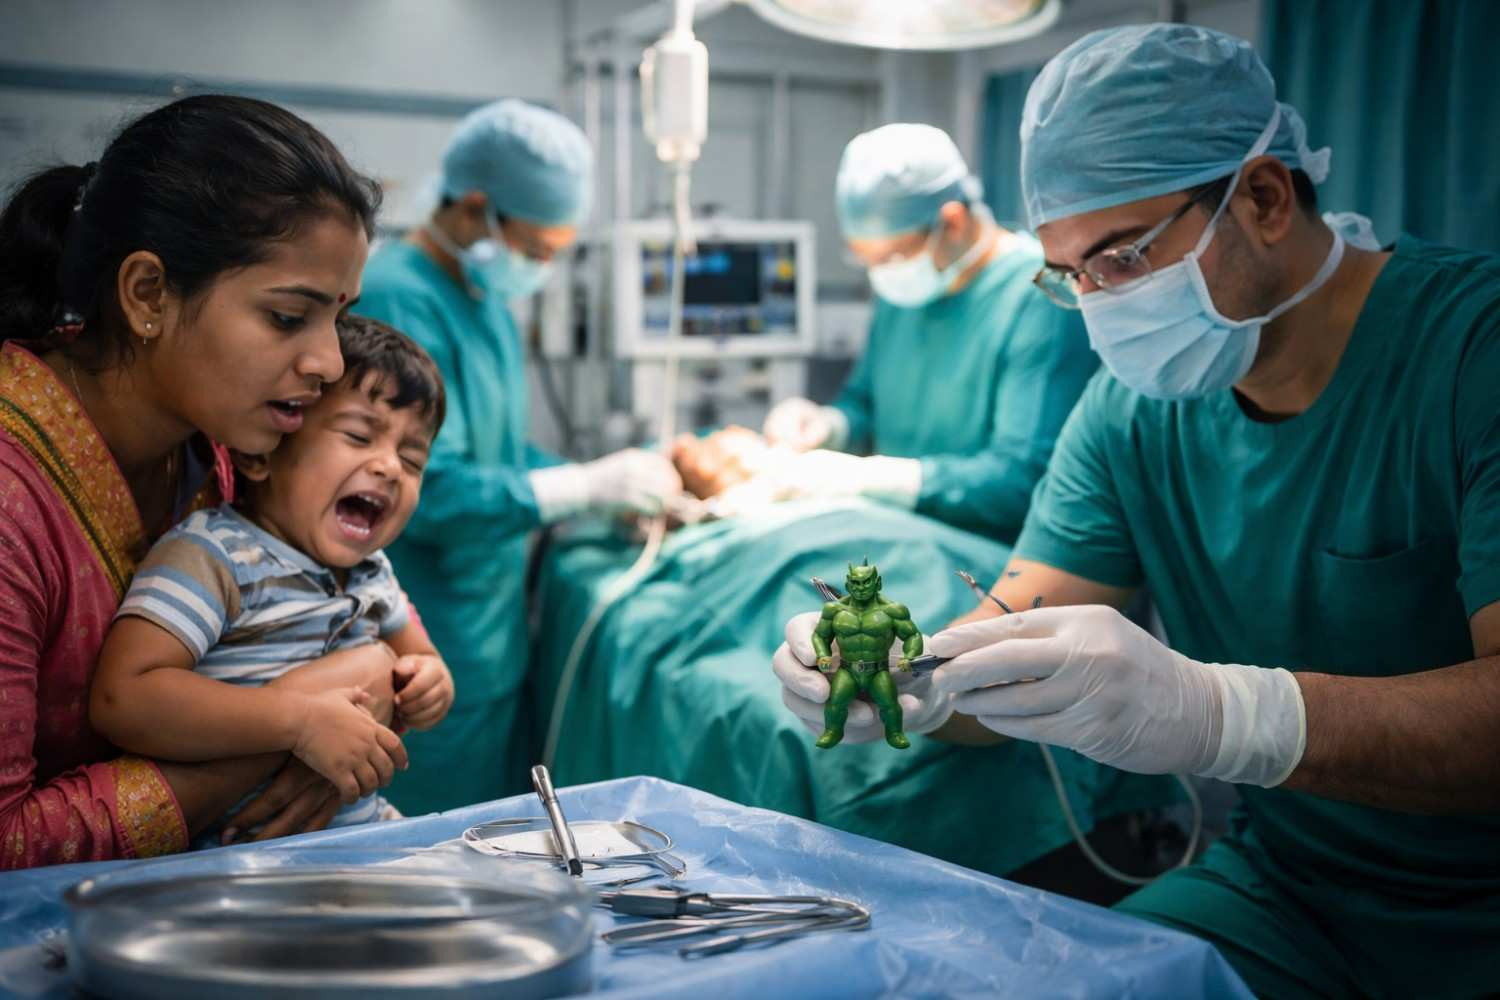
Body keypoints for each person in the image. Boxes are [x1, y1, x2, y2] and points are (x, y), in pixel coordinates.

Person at [773, 23, 1500, 998]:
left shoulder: (1472, 354)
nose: (1100, 304)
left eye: (1118, 260)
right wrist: (921, 684)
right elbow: (1010, 629)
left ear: (1263, 198)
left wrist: (1223, 715)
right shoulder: (1132, 412)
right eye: (1069, 277)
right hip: (1288, 890)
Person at [0, 94, 406, 868]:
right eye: (290, 318)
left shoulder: (216, 447)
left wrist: (366, 704)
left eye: (338, 316)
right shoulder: (11, 504)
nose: (328, 363)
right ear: (148, 294)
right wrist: (287, 736)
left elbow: (318, 619)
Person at [358, 100, 681, 812]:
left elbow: (501, 452)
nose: (543, 268)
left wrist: (599, 485)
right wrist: (579, 488)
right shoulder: (397, 299)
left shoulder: (486, 302)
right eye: (537, 249)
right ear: (476, 208)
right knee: (426, 867)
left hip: (491, 640)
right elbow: (423, 492)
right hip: (425, 651)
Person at [91, 317, 454, 846]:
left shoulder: (374, 571)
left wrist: (429, 682)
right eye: (358, 436)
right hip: (233, 865)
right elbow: (123, 697)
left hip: (357, 840)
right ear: (259, 453)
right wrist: (297, 722)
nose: (390, 468)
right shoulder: (213, 557)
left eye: (412, 458)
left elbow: (417, 658)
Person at [761, 123, 1095, 539]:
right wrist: (828, 426)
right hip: (898, 535)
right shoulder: (904, 290)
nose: (882, 274)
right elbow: (864, 401)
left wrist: (878, 479)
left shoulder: (1043, 298)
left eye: (891, 256)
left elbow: (1021, 481)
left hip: (988, 554)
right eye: (867, 260)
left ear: (952, 222)